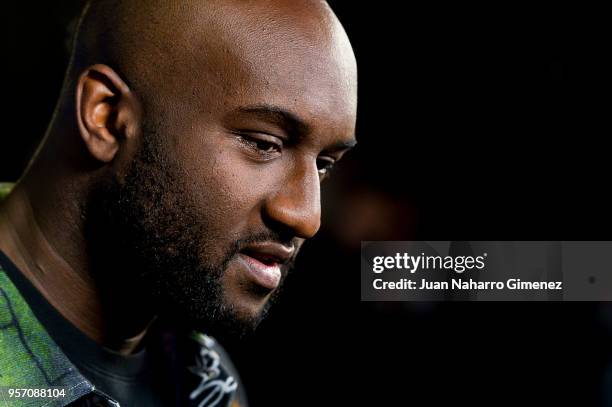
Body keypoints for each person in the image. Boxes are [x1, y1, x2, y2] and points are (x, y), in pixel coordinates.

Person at [0, 0, 357, 405]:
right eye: (264, 144)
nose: (307, 217)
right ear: (107, 116)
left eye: (324, 164)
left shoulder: (205, 377)